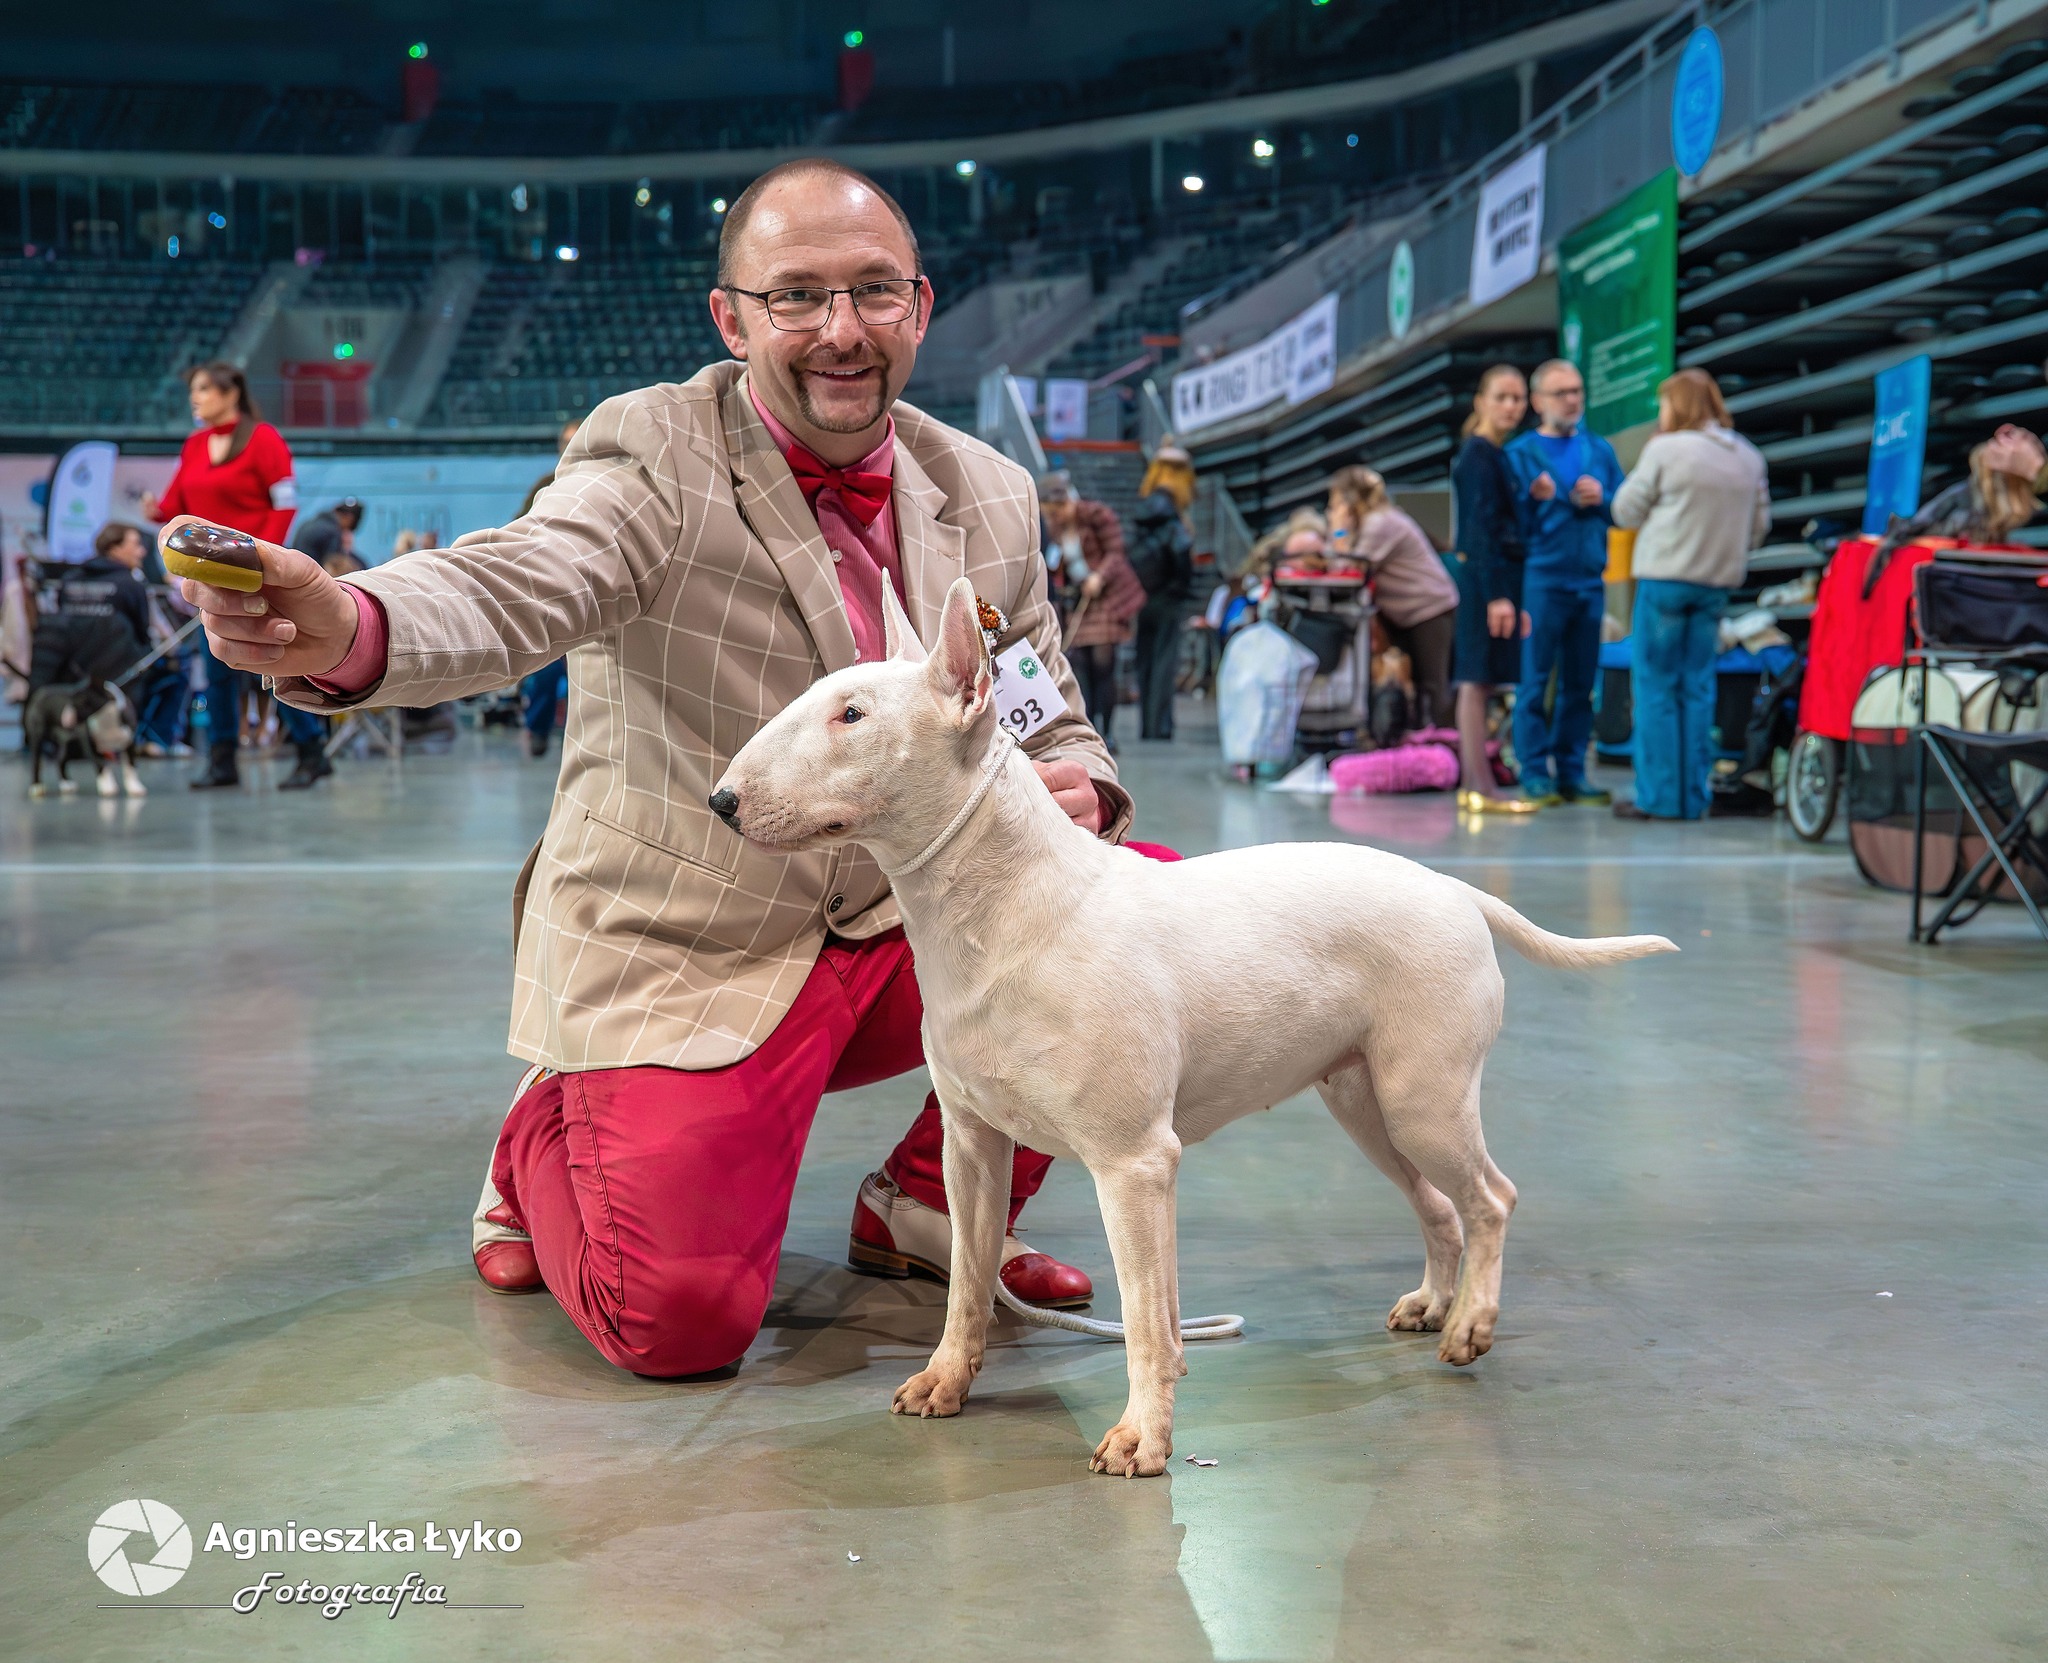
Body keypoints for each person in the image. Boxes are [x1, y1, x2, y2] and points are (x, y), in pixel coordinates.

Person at [174, 158, 1150, 1381]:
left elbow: (1046, 713)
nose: (841, 330)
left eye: (872, 291)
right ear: (729, 320)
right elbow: (519, 577)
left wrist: (1082, 786)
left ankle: (925, 1202)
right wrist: (354, 626)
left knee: (1135, 901)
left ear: (920, 305)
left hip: (899, 924)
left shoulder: (989, 492)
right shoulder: (652, 450)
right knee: (677, 1321)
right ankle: (539, 1134)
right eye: (796, 296)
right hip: (697, 940)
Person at [1609, 369, 1771, 822]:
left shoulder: (1666, 449)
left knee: (1656, 688)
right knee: (1698, 688)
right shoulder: (1748, 456)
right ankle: (1693, 798)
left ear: (1676, 406)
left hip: (1665, 580)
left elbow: (1624, 510)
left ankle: (1659, 799)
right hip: (1715, 584)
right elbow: (1758, 529)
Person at [144, 362, 298, 791]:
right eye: (193, 390)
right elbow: (174, 505)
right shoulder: (195, 445)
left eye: (203, 389)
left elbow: (285, 503)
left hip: (258, 573)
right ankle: (222, 761)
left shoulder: (263, 438)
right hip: (211, 576)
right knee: (217, 670)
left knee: (279, 665)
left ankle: (311, 751)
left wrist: (263, 559)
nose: (194, 398)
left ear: (231, 394)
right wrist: (153, 511)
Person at [1505, 359, 1624, 806]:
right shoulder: (1519, 455)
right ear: (1538, 402)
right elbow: (1504, 524)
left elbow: (1624, 509)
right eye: (1561, 393)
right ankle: (1534, 770)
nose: (1572, 400)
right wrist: (1529, 499)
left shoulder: (1599, 450)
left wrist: (1603, 499)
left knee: (1580, 684)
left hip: (1589, 582)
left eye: (1577, 391)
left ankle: (1572, 771)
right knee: (1533, 680)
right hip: (1541, 580)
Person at [1448, 365, 1539, 814]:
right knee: (1476, 678)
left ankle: (1479, 784)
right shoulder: (1478, 457)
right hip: (1485, 580)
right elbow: (1479, 530)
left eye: (1518, 398)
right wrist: (1497, 595)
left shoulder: (1494, 455)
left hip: (1497, 578)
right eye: (1502, 397)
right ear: (1481, 401)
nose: (1511, 406)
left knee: (1481, 679)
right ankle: (1479, 786)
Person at [1325, 465, 1459, 732]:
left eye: (1336, 504)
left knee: (1433, 686)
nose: (1331, 511)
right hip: (1405, 613)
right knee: (1413, 686)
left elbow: (1348, 570)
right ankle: (1423, 743)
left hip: (1428, 608)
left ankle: (1448, 746)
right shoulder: (1371, 523)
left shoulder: (1380, 523)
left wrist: (1338, 530)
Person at [1041, 471, 1145, 747]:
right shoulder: (1056, 527)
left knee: (1103, 664)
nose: (1054, 518)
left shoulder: (1097, 515)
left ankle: (1107, 731)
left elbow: (1116, 552)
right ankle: (1087, 729)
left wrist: (1099, 576)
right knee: (1080, 665)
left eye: (1056, 511)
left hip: (1106, 598)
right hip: (1079, 601)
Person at [519, 423, 583, 759]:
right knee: (545, 672)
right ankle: (538, 731)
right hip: (552, 596)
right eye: (566, 442)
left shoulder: (607, 484)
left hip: (594, 594)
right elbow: (519, 531)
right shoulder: (545, 486)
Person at [1128, 440, 1197, 740]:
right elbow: (1180, 552)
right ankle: (1161, 726)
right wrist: (1182, 585)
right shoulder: (1174, 512)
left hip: (1143, 594)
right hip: (1169, 596)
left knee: (1145, 660)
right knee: (1165, 661)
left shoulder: (1144, 507)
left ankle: (1147, 725)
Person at [293, 497, 364, 574]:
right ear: (349, 519)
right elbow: (334, 567)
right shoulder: (332, 532)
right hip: (310, 576)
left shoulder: (307, 524)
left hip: (297, 573)